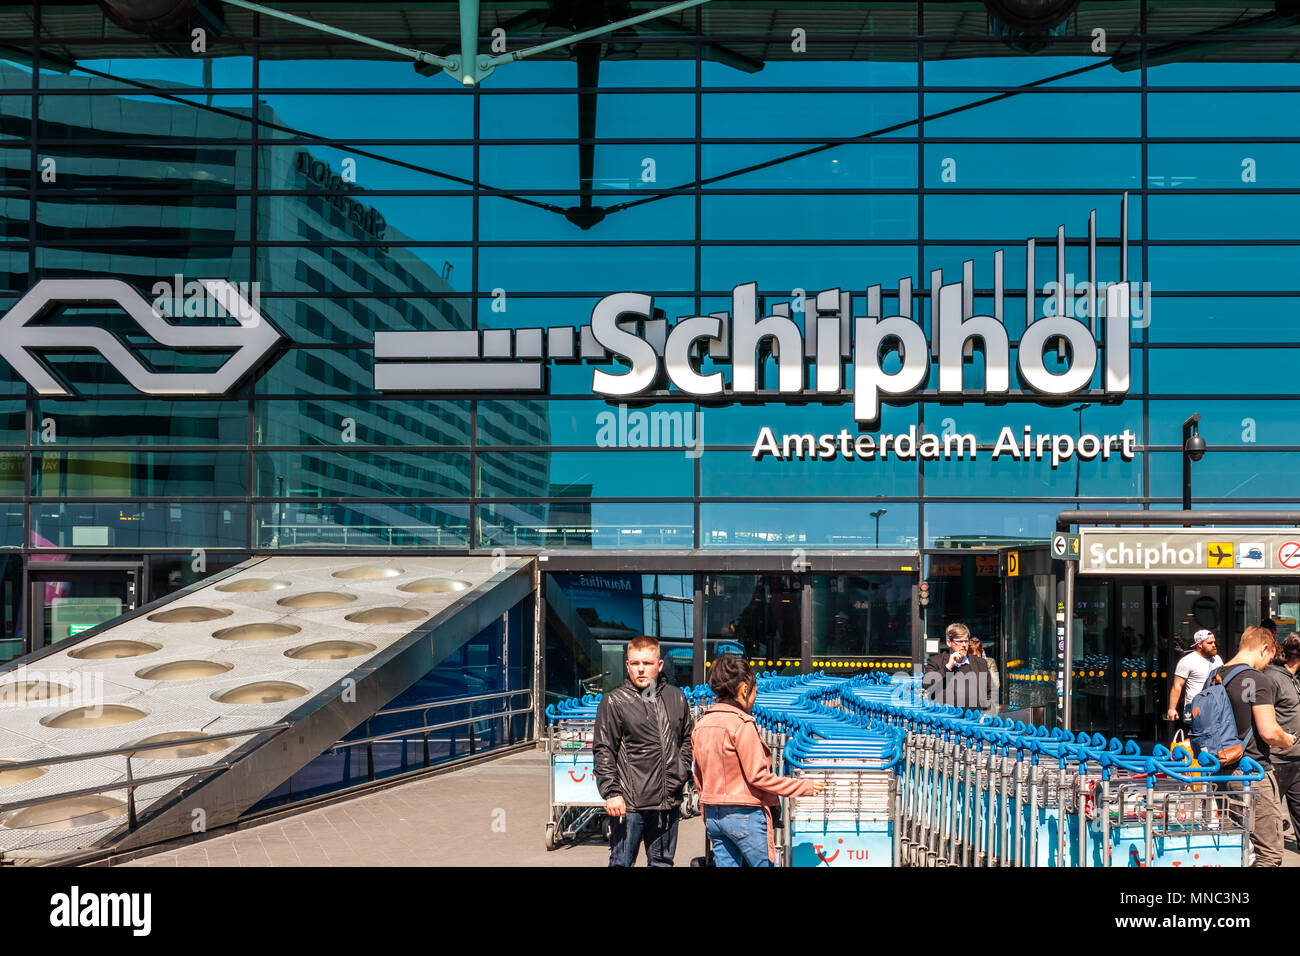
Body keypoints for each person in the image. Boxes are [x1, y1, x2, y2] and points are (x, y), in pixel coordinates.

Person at [691, 655, 824, 866]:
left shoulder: (702, 724)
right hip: (744, 814)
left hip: (713, 813)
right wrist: (802, 787)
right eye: (755, 691)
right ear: (744, 689)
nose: (755, 697)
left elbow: (698, 775)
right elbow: (759, 777)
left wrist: (707, 810)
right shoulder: (742, 724)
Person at [592, 635, 694, 867]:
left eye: (647, 663)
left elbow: (688, 738)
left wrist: (680, 769)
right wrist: (611, 792)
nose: (640, 669)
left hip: (666, 802)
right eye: (635, 663)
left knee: (662, 863)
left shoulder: (676, 697)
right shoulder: (614, 701)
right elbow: (604, 749)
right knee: (621, 863)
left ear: (659, 665)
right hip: (629, 805)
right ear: (627, 665)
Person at [1218, 625, 1298, 867]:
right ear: (1263, 648)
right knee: (1269, 853)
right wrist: (1287, 739)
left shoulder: (1217, 675)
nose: (1267, 665)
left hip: (1219, 772)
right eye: (1269, 658)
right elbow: (1269, 733)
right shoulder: (1256, 678)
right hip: (1252, 773)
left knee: (1232, 846)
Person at [1265, 633, 1300, 839]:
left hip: (1297, 759)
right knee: (1268, 818)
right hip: (1276, 760)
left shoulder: (1295, 677)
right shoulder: (1272, 677)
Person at [924, 622, 994, 710]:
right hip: (947, 718)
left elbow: (990, 691)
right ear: (949, 642)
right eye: (960, 641)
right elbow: (926, 684)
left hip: (974, 719)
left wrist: (986, 713)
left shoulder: (980, 663)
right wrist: (948, 667)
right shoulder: (936, 661)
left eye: (966, 641)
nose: (964, 645)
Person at [1166, 629, 1222, 729]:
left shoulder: (1217, 659)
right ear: (1199, 644)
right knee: (1195, 738)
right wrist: (1172, 709)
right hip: (1195, 707)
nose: (1214, 645)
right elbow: (1177, 686)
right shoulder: (1187, 661)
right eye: (1209, 643)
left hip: (1215, 707)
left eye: (1214, 642)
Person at [968, 637, 999, 709]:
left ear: (981, 652)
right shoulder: (965, 663)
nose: (974, 659)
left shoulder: (989, 662)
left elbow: (995, 684)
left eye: (976, 656)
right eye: (972, 656)